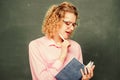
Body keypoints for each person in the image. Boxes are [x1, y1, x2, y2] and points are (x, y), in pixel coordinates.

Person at [28, 1, 95, 80]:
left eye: (73, 24)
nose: (72, 28)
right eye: (67, 23)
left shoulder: (76, 47)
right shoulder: (36, 45)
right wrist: (62, 56)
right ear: (55, 21)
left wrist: (84, 79)